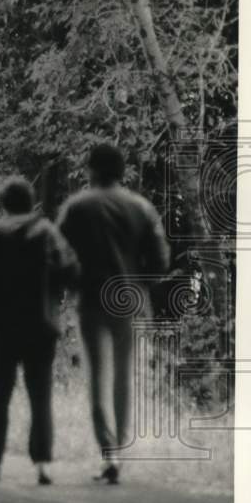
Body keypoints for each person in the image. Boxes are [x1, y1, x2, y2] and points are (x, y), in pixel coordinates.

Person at [57, 143, 171, 485]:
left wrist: (72, 282)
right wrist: (141, 281)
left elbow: (58, 254)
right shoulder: (142, 208)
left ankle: (108, 453)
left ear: (91, 169)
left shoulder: (76, 207)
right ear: (122, 172)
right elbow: (161, 262)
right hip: (132, 301)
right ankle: (120, 451)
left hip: (92, 300)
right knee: (124, 378)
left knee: (97, 377)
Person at [0, 177, 79, 485]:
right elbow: (70, 269)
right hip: (40, 326)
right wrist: (59, 298)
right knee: (40, 395)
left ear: (3, 204)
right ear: (31, 203)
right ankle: (42, 463)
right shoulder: (47, 233)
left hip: (1, 328)